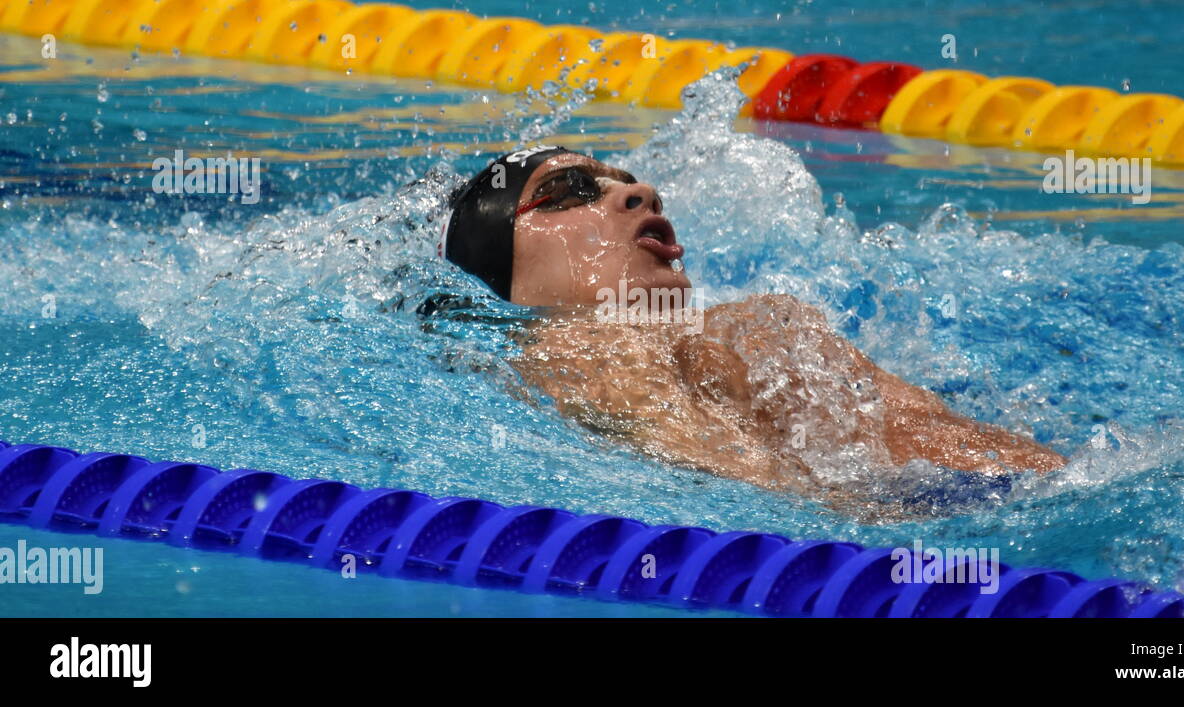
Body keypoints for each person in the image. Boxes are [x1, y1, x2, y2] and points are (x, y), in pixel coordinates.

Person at [436, 145, 1066, 499]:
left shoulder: (756, 328)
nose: (642, 192)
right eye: (573, 188)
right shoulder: (579, 348)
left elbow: (967, 460)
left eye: (628, 182)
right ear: (498, 272)